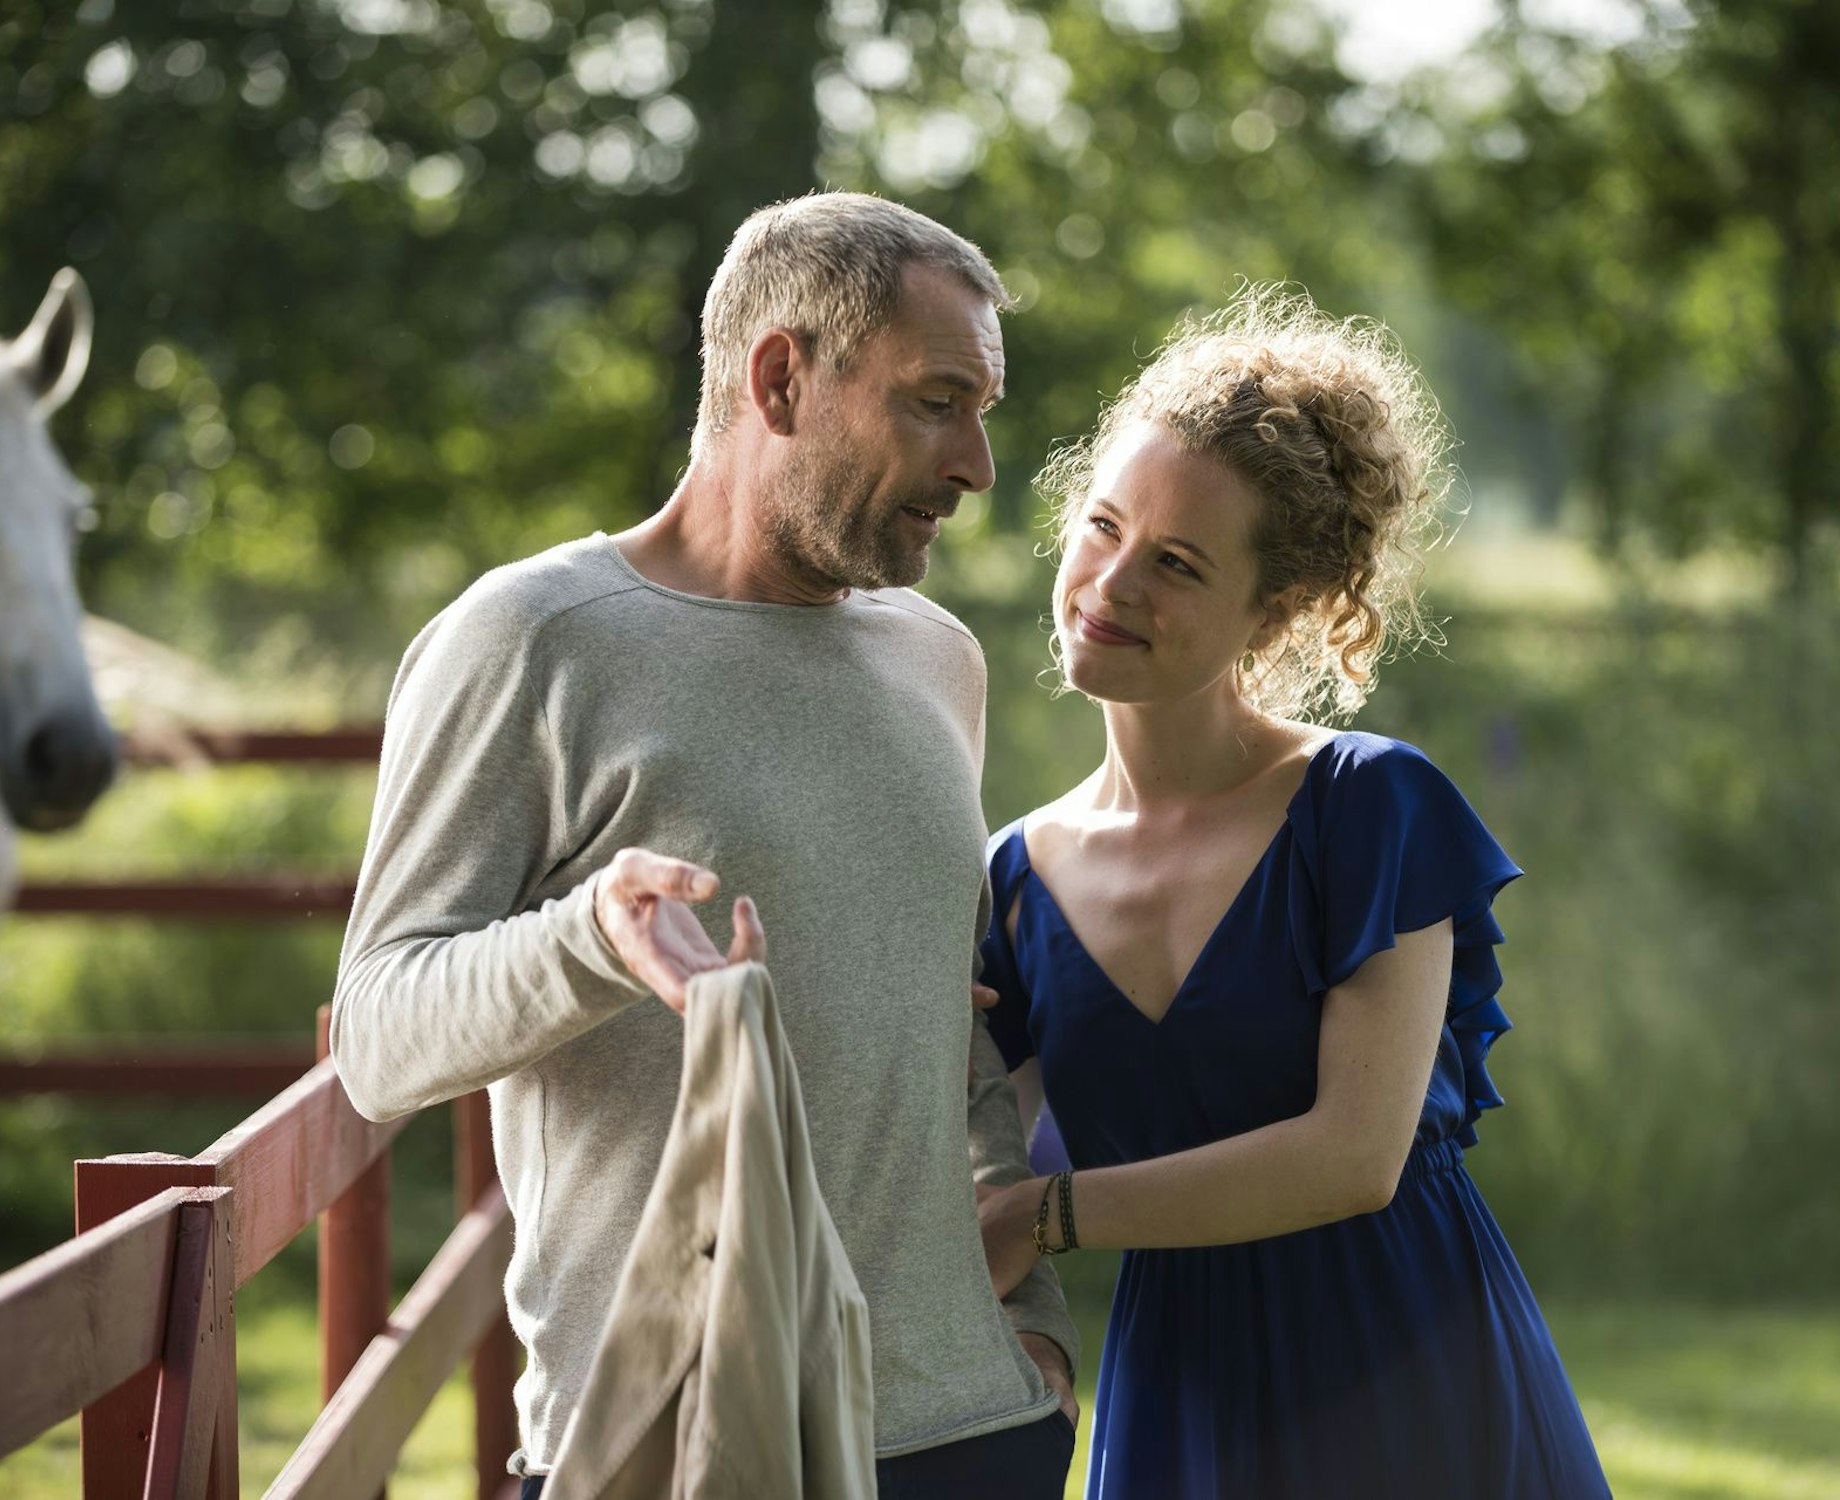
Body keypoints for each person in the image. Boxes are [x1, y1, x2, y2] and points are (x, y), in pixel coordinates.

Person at [330, 191, 1079, 1499]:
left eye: (983, 412)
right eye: (935, 402)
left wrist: (1032, 1335)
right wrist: (591, 941)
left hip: (973, 1427)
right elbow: (381, 1042)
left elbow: (953, 1020)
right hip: (670, 1443)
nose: (976, 465)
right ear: (779, 379)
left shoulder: (938, 661)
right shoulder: (529, 641)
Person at [976, 286, 1611, 1498]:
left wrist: (1039, 1215)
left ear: (1273, 611)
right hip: (1183, 1395)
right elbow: (944, 1139)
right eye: (1102, 526)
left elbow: (1352, 1157)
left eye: (1175, 564)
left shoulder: (1364, 805)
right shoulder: (1011, 880)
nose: (1110, 584)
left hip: (1408, 1361)